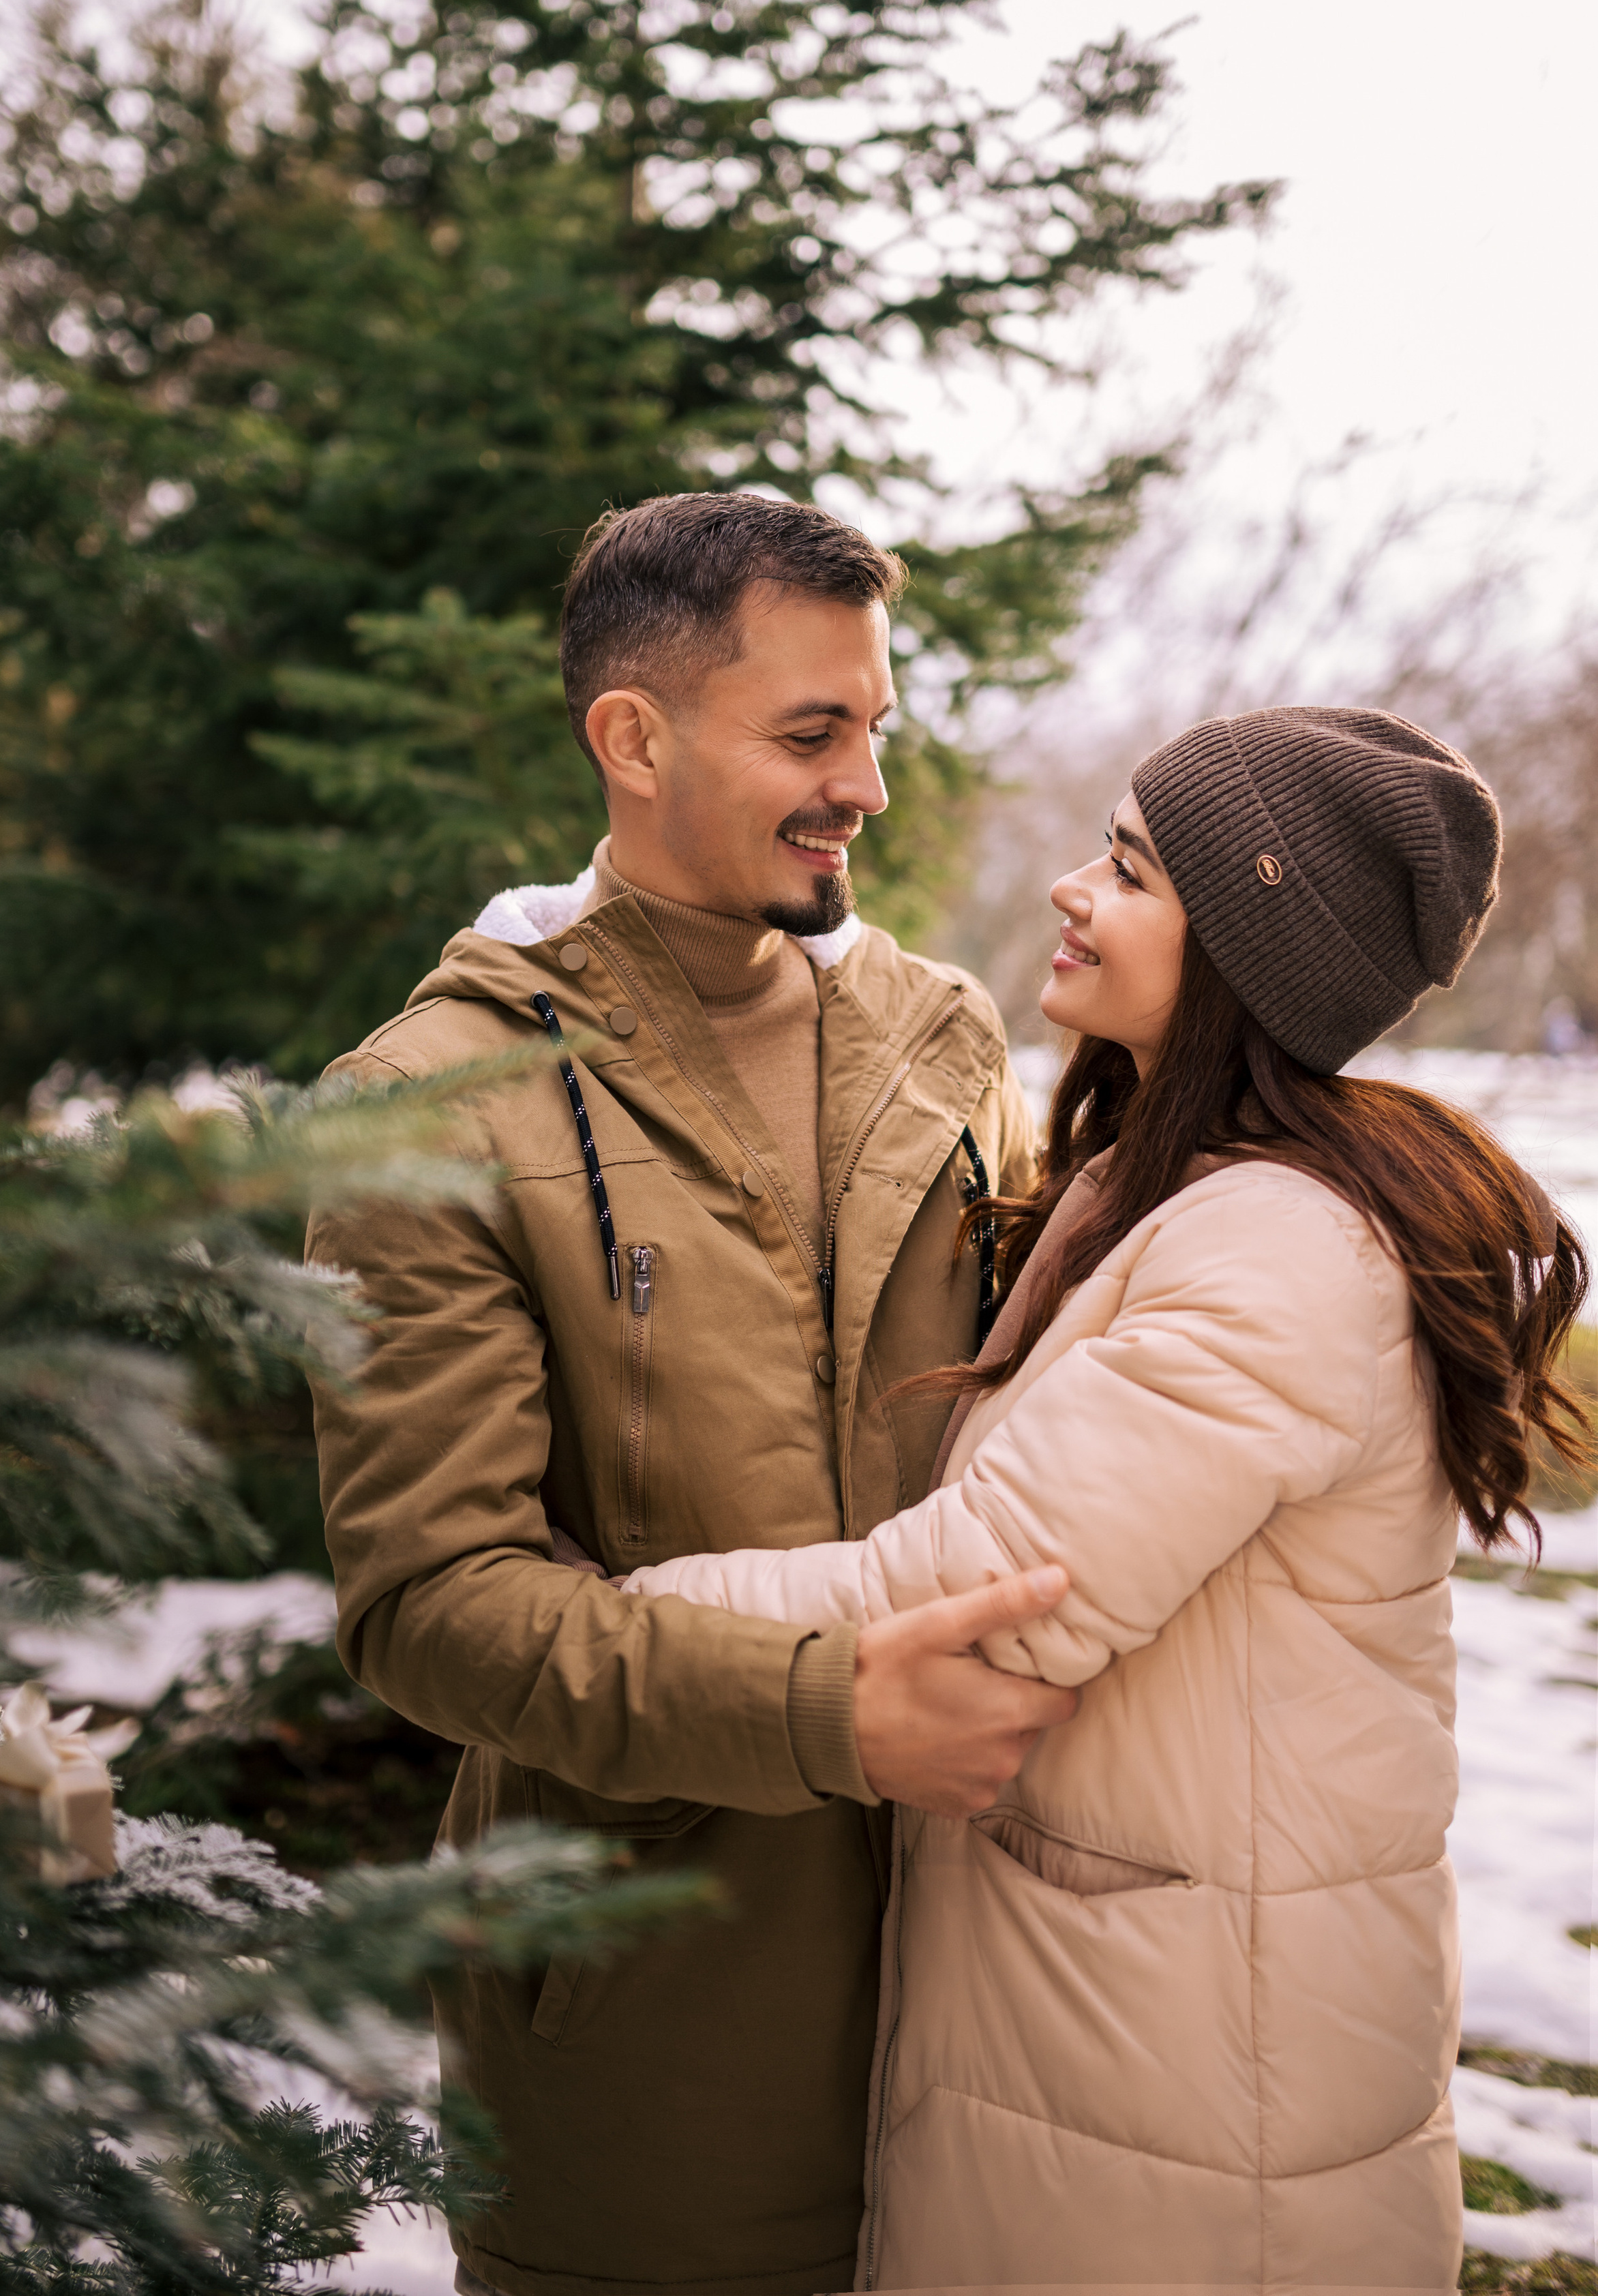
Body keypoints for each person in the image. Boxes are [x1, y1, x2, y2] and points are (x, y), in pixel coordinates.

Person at [622, 705, 1591, 2293]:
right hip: (1132, 2015)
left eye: (1131, 871)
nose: (1074, 887)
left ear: (1241, 952)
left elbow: (985, 1587)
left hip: (1196, 2086)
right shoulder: (1165, 1181)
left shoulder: (1270, 1249)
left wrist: (595, 1628)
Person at [305, 492, 1076, 2296]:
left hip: (996, 1990)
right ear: (631, 738)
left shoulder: (947, 1037)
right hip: (646, 2036)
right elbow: (431, 1607)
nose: (865, 787)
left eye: (874, 728)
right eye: (811, 733)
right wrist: (824, 1711)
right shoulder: (428, 1107)